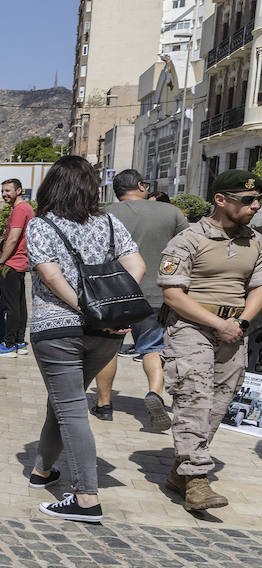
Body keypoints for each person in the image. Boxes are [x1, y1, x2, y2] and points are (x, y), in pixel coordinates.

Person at [22, 156, 145, 523]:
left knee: (71, 407)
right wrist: (113, 306)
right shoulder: (109, 223)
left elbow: (51, 276)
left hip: (58, 329)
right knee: (63, 402)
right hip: (104, 333)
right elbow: (136, 265)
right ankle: (43, 470)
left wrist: (83, 307)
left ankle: (86, 498)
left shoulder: (41, 225)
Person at [158, 169, 262, 512]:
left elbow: (258, 287)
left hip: (235, 329)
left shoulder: (256, 241)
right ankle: (197, 480)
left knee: (219, 403)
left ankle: (180, 472)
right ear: (221, 200)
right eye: (247, 200)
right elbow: (173, 295)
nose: (255, 206)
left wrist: (241, 321)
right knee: (194, 397)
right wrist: (218, 323)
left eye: (258, 199)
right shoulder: (188, 240)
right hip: (191, 327)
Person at [90, 169, 188, 428]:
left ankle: (104, 404)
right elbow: (188, 250)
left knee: (109, 348)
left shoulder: (105, 214)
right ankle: (155, 392)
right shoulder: (172, 213)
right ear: (141, 186)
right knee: (153, 347)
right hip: (156, 293)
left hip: (115, 294)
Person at [0, 178, 35, 357]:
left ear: (19, 190)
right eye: (3, 191)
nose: (4, 194)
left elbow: (13, 238)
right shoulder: (26, 208)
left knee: (11, 306)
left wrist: (1, 262)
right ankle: (20, 342)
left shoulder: (20, 210)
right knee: (19, 305)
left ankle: (9, 344)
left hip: (12, 263)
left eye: (8, 190)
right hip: (20, 262)